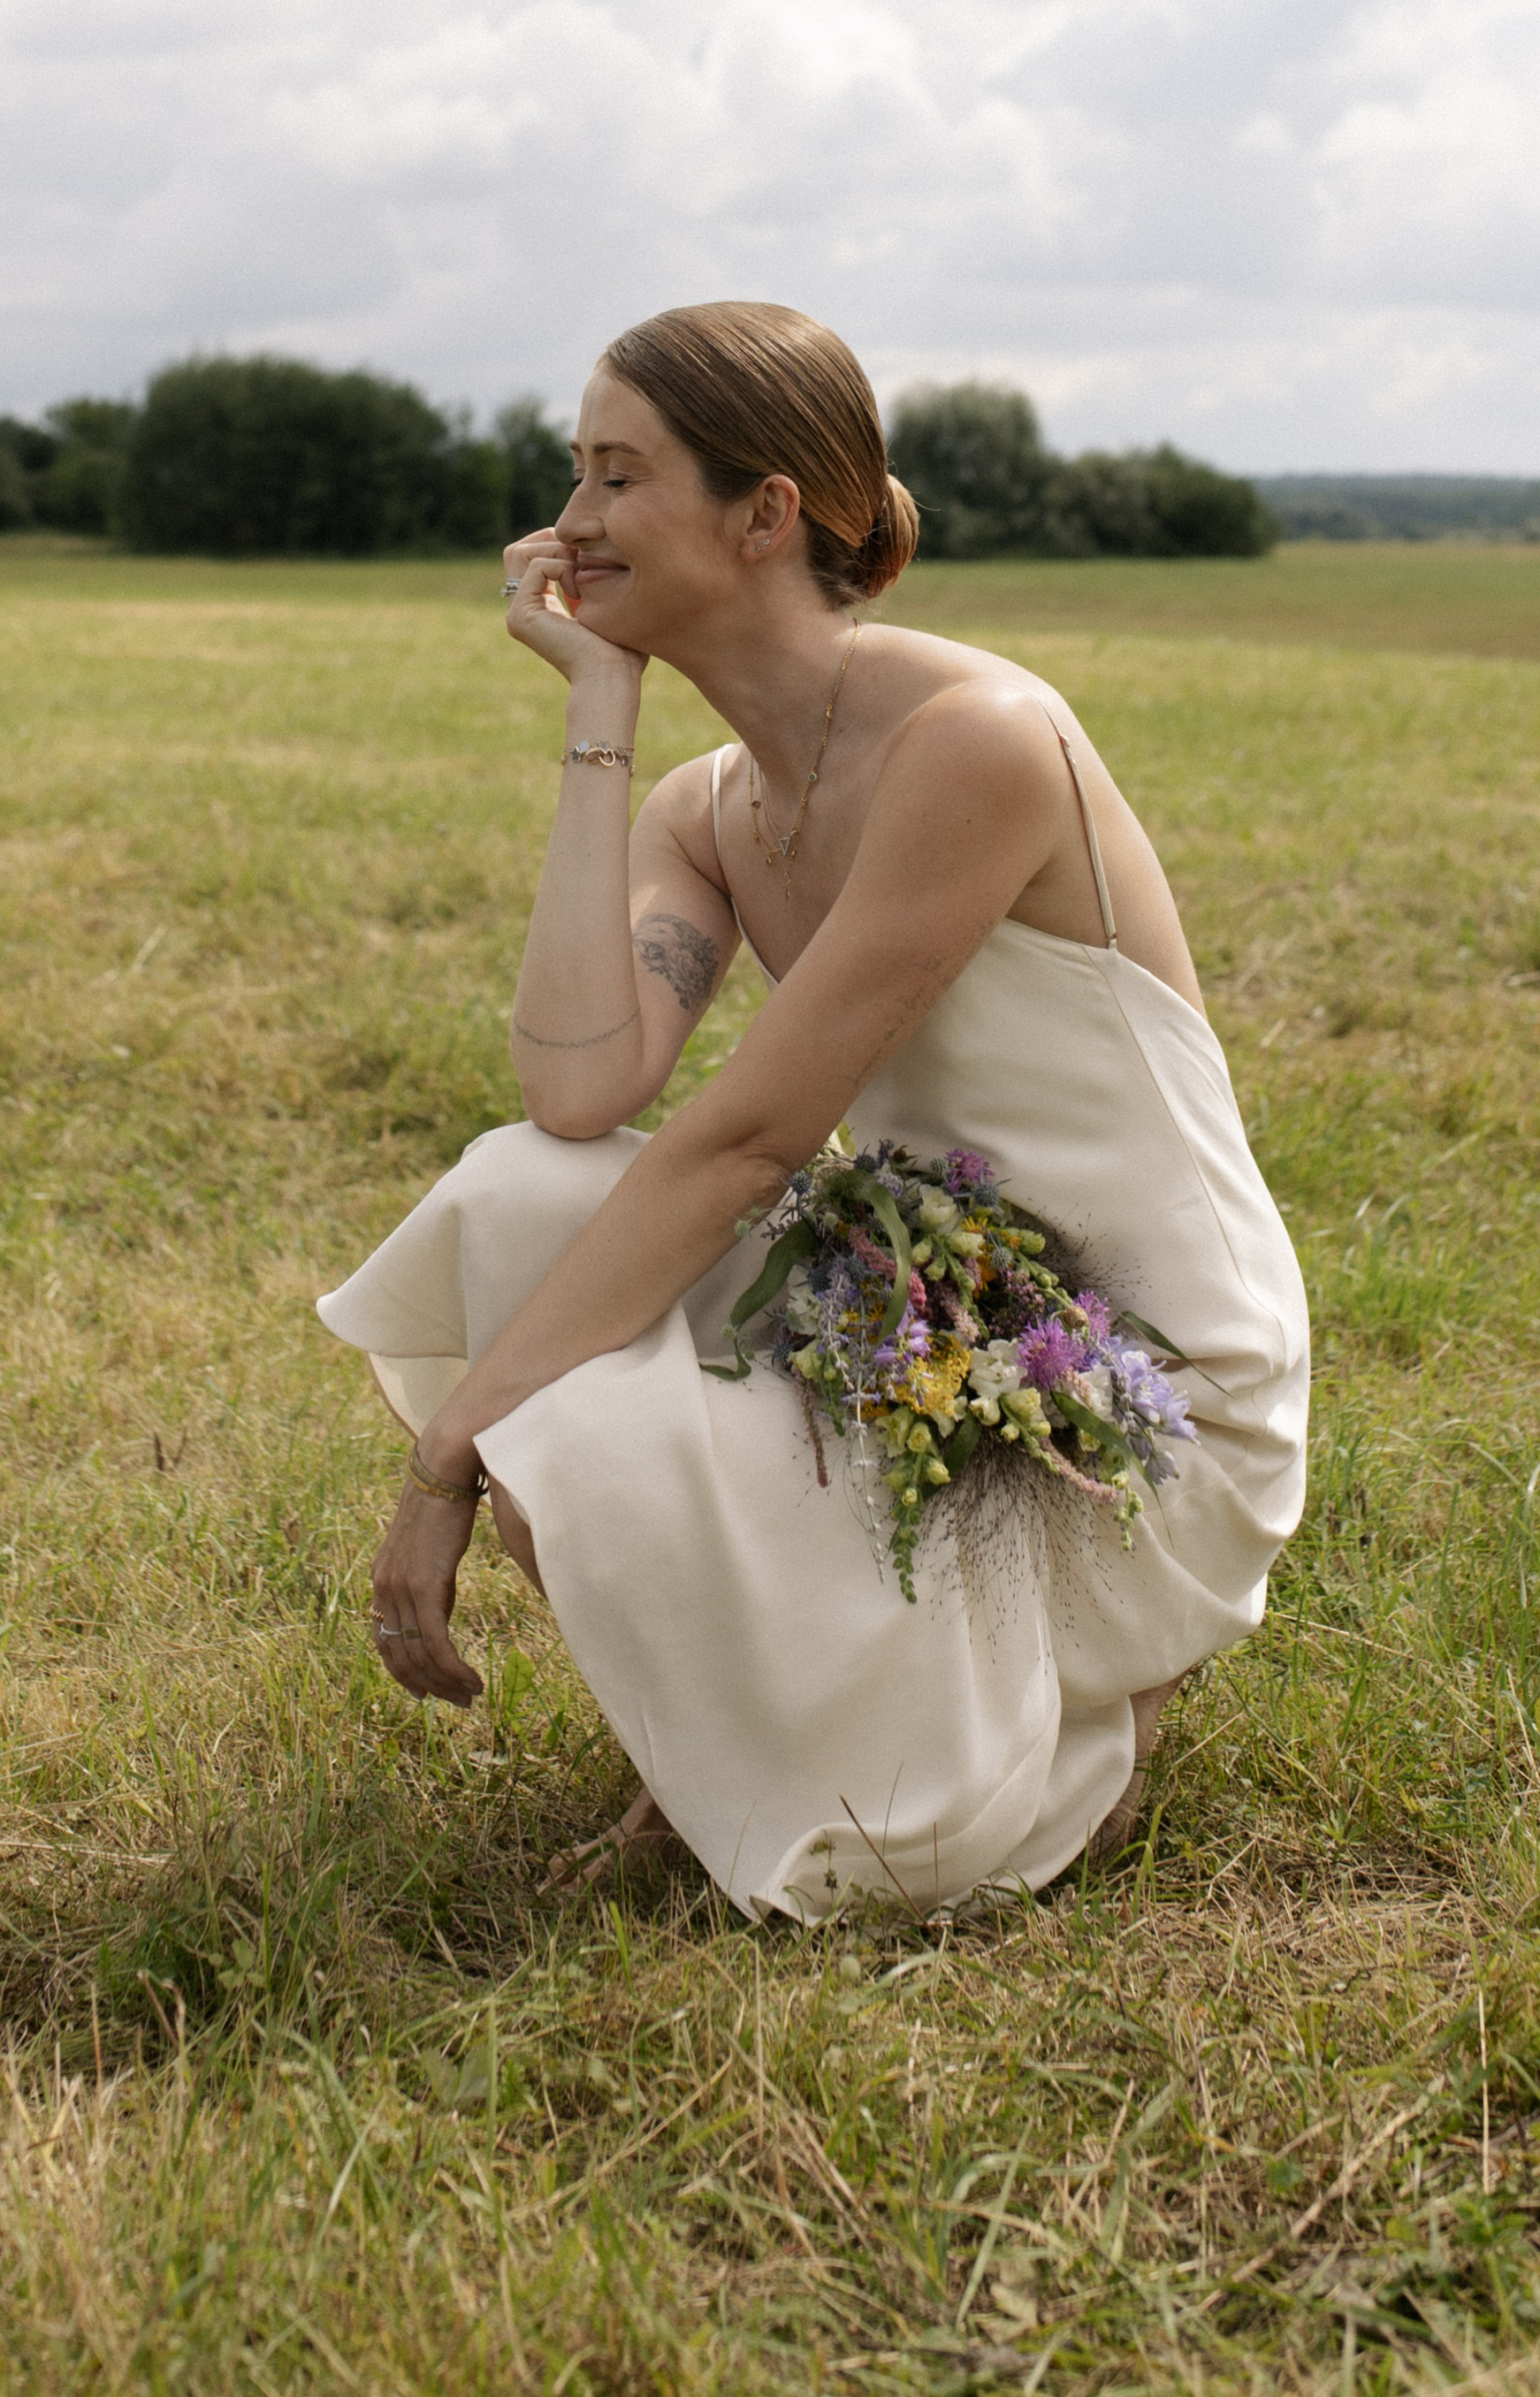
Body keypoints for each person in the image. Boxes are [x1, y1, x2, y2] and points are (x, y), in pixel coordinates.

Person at [318, 302, 1307, 1918]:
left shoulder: (975, 742)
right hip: (920, 1311)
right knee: (519, 1195)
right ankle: (720, 1741)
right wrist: (599, 708)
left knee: (588, 1425)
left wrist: (450, 1452)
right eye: (574, 472)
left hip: (1138, 1394)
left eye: (618, 475)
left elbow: (751, 1144)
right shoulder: (712, 809)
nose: (567, 524)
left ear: (766, 512)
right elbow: (579, 1089)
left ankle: (1066, 1733)